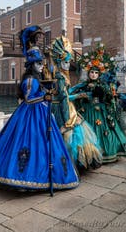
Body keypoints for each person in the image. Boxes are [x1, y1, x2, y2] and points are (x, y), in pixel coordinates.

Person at [0, 27, 79, 191]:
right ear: (32, 65)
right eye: (39, 64)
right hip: (31, 112)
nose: (42, 67)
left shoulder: (36, 78)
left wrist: (46, 95)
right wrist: (45, 98)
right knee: (28, 141)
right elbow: (28, 99)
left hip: (40, 111)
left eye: (42, 64)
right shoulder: (30, 80)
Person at [49, 36, 102, 169]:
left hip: (65, 106)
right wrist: (80, 95)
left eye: (68, 62)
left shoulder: (61, 75)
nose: (67, 65)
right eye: (65, 63)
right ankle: (64, 164)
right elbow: (64, 98)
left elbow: (66, 93)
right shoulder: (60, 77)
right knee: (68, 132)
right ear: (59, 61)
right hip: (62, 109)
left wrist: (76, 89)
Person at [73, 43, 126, 163]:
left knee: (104, 131)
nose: (93, 74)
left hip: (100, 111)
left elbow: (109, 98)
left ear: (99, 74)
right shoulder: (83, 84)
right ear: (88, 73)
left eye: (96, 73)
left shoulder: (103, 85)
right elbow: (72, 93)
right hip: (87, 110)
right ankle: (90, 154)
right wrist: (81, 96)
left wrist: (104, 94)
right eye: (91, 72)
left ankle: (103, 153)